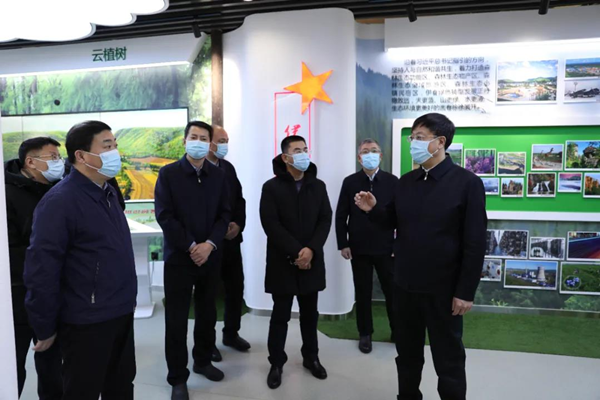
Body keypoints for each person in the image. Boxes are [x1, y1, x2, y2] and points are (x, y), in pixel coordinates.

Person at [354, 113, 487, 400]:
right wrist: (373, 209)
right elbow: (392, 220)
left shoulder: (467, 183)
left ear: (440, 142)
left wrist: (465, 292)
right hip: (405, 285)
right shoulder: (406, 182)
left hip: (444, 289)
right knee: (407, 354)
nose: (413, 142)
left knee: (448, 358)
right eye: (412, 137)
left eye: (419, 137)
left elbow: (475, 242)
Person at [24, 121, 138, 400]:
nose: (115, 152)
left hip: (121, 310)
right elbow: (42, 269)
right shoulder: (60, 201)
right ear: (81, 155)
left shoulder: (108, 191)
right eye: (107, 146)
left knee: (121, 386)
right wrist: (44, 326)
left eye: (115, 145)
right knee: (82, 390)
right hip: (86, 319)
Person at [155, 121, 231, 400]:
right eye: (193, 136)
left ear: (210, 144)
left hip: (210, 256)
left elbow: (225, 214)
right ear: (184, 141)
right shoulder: (168, 174)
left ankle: (202, 360)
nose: (198, 141)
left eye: (203, 138)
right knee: (176, 320)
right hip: (179, 258)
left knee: (207, 313)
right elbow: (165, 216)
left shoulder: (218, 175)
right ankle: (177, 377)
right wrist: (190, 246)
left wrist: (209, 245)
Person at [259, 135, 332, 390]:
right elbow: (270, 224)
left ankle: (311, 357)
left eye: (305, 149)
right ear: (285, 157)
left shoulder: (318, 186)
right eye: (297, 150)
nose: (303, 154)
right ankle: (276, 362)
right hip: (282, 261)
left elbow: (325, 219)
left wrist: (311, 250)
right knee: (280, 315)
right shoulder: (271, 187)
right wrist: (296, 251)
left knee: (310, 315)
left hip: (311, 261)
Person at [5, 137, 64, 399]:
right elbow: (10, 251)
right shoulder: (7, 194)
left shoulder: (57, 190)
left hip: (53, 294)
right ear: (30, 161)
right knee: (13, 368)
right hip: (18, 296)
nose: (59, 163)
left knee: (53, 369)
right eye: (53, 157)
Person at [335, 138, 397, 354]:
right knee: (362, 292)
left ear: (381, 156)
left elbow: (399, 216)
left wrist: (398, 245)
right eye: (365, 151)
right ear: (359, 158)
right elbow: (341, 214)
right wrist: (343, 243)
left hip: (386, 247)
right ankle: (365, 333)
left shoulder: (392, 181)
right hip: (359, 247)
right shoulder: (350, 182)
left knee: (392, 292)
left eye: (374, 151)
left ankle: (397, 330)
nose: (370, 154)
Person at [206, 125, 251, 362]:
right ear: (208, 142)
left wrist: (238, 225)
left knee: (235, 288)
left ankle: (231, 333)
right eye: (220, 140)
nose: (224, 145)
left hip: (231, 241)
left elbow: (239, 200)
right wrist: (217, 231)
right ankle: (207, 342)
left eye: (226, 140)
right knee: (209, 294)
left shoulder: (228, 168)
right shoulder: (198, 169)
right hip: (209, 243)